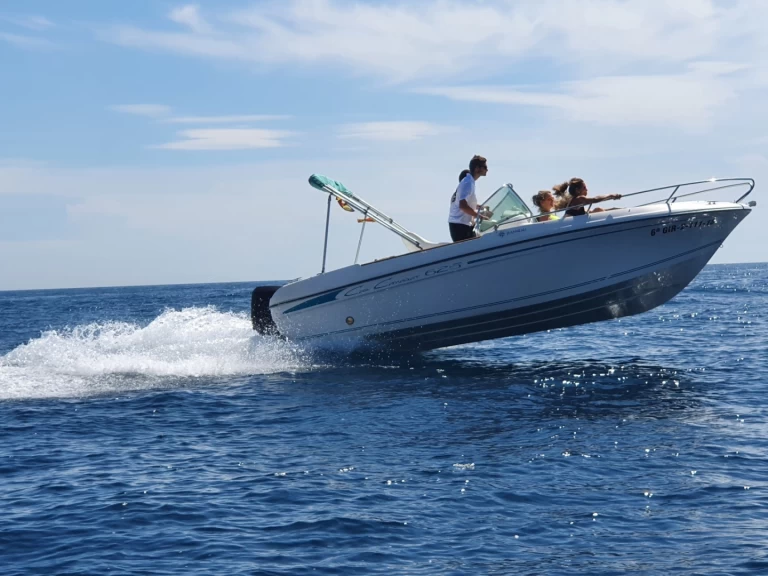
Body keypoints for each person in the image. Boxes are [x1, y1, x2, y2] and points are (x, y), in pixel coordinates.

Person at [448, 155, 491, 241]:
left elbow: (466, 203)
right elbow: (462, 206)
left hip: (461, 225)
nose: (487, 170)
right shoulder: (467, 183)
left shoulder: (469, 181)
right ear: (477, 169)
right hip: (460, 227)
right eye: (485, 167)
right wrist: (479, 216)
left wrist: (480, 207)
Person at [553, 178, 621, 217]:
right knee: (598, 209)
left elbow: (589, 211)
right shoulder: (578, 199)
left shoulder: (575, 202)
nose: (587, 190)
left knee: (598, 210)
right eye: (584, 188)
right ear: (577, 190)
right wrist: (611, 195)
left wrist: (614, 209)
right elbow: (594, 199)